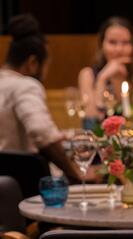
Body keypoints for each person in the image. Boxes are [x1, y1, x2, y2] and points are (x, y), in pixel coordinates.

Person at [0, 14, 85, 182]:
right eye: (46, 65)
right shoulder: (25, 85)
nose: (45, 73)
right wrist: (76, 175)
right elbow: (41, 132)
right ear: (32, 63)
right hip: (22, 186)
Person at [79, 16, 133, 120]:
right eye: (112, 42)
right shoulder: (88, 74)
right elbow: (91, 117)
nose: (119, 49)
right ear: (102, 45)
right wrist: (102, 78)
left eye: (126, 43)